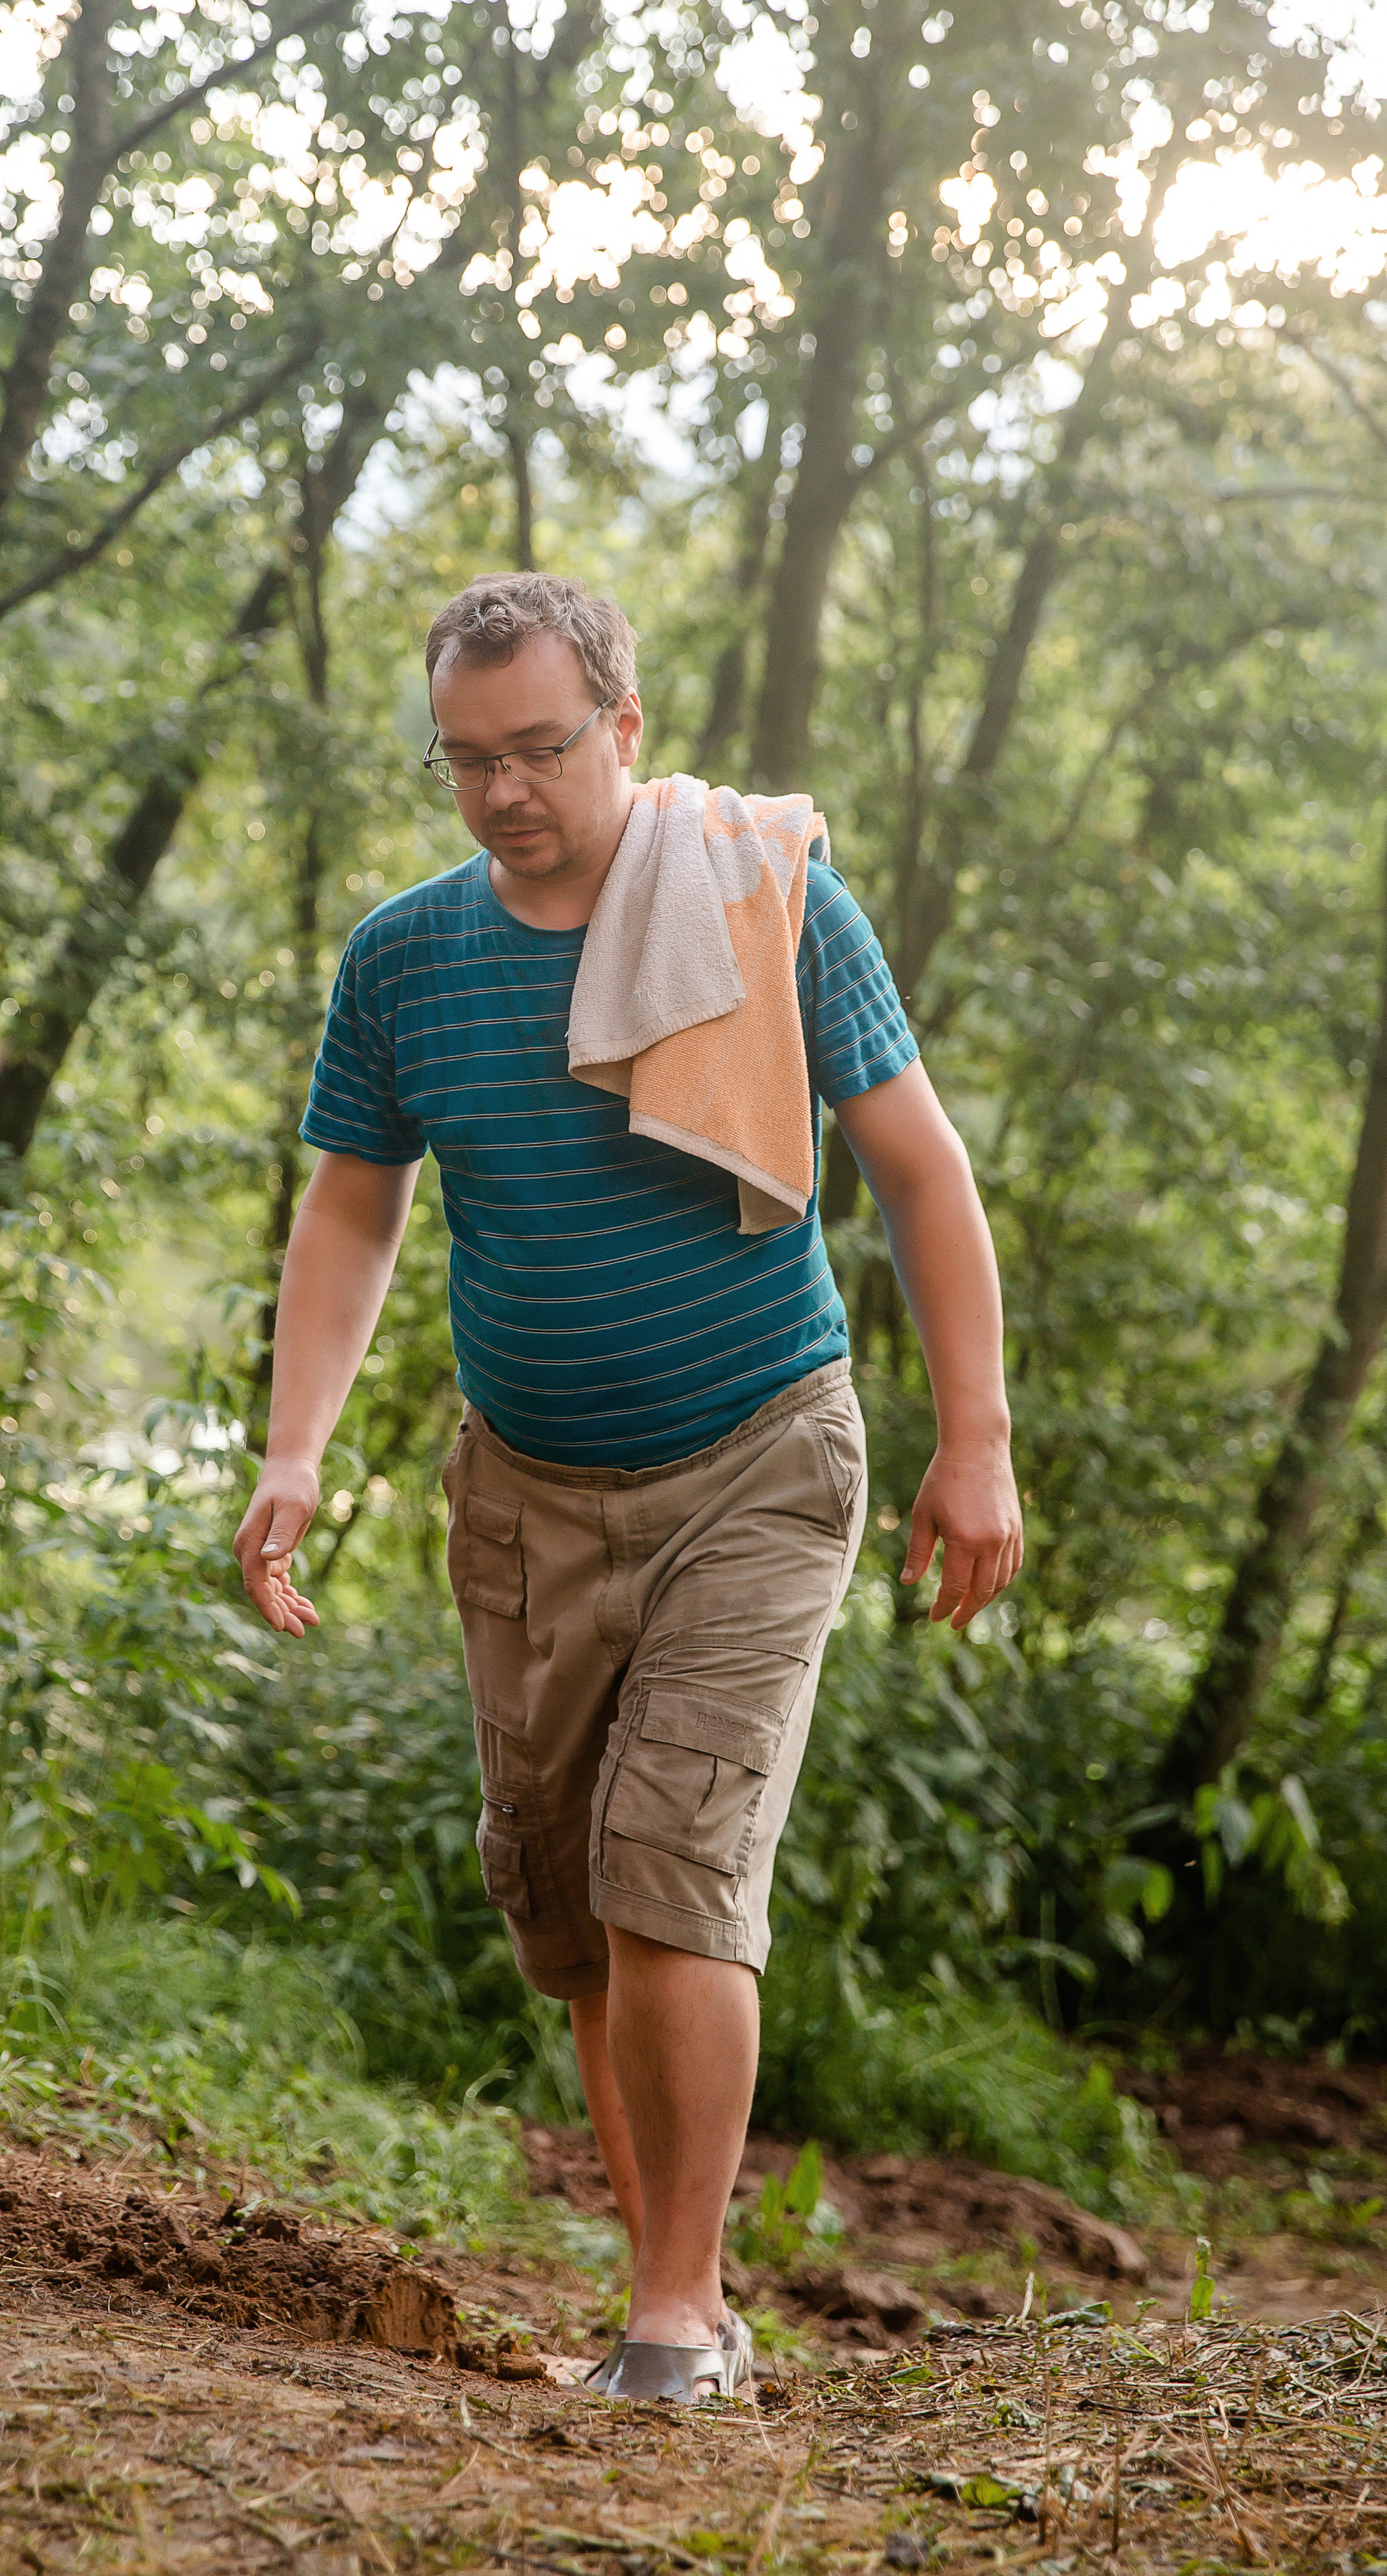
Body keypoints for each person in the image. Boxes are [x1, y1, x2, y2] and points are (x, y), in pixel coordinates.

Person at [232, 572, 1022, 2400]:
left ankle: (676, 2315)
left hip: (757, 1451)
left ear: (624, 732)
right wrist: (294, 1448)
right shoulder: (404, 957)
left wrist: (970, 1440)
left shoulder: (763, 905)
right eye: (465, 759)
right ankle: (670, 2270)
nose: (506, 789)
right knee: (574, 1909)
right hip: (523, 1487)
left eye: (540, 747)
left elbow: (915, 1168)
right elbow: (354, 1202)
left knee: (673, 1872)